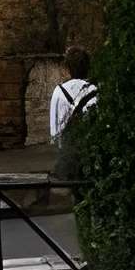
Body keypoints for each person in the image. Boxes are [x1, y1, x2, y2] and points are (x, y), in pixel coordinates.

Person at [49, 49, 96, 177]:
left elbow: (55, 132)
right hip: (92, 153)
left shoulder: (59, 91)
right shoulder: (96, 89)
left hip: (68, 154)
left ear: (67, 67)